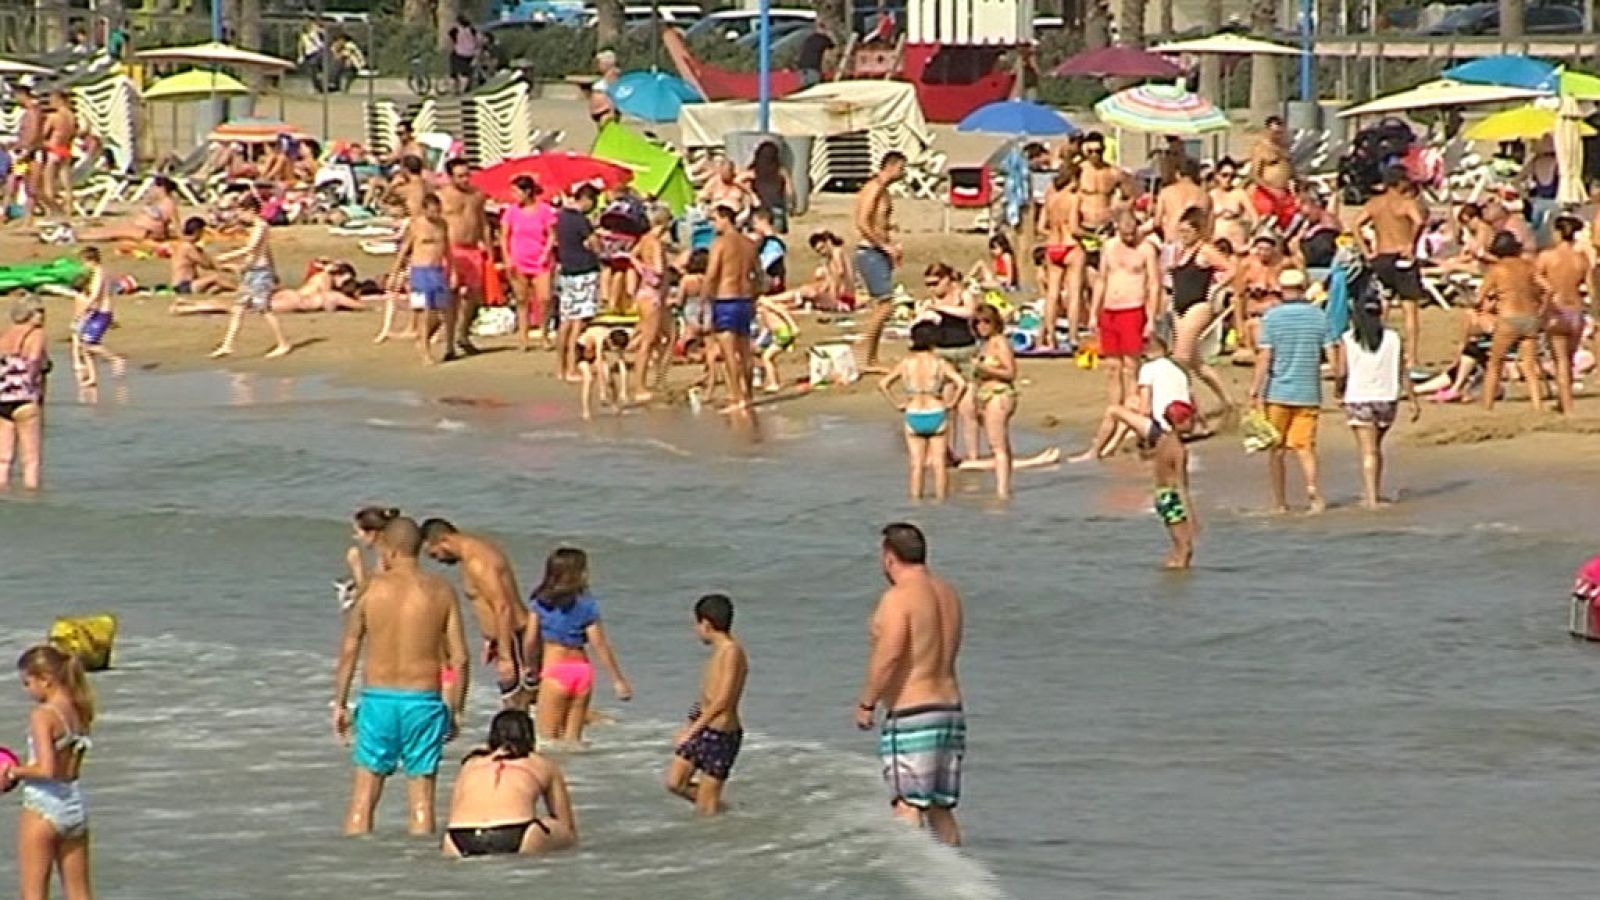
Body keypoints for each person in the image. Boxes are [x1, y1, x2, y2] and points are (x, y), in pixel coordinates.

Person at [331, 516, 470, 836]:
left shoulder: (371, 591)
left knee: (363, 800)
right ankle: (418, 875)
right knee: (422, 802)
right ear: (420, 549)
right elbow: (460, 658)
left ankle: (354, 871)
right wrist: (456, 710)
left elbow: (350, 649)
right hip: (423, 701)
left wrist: (339, 703)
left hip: (378, 699)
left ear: (388, 550)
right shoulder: (441, 591)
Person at [855, 523, 965, 846]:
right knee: (940, 808)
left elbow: (890, 653)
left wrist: (867, 702)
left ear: (890, 558)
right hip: (950, 709)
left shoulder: (898, 599)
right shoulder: (949, 593)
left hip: (913, 712)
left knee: (908, 804)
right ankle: (955, 885)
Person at [3, 645, 96, 900]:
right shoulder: (80, 709)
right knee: (80, 892)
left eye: (27, 683)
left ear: (45, 680)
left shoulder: (43, 715)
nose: (27, 691)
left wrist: (13, 772)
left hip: (43, 806)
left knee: (33, 894)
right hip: (74, 803)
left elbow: (46, 769)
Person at [420, 519, 533, 710]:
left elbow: (503, 606)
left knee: (516, 703)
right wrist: (492, 638)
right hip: (508, 637)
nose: (437, 560)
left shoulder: (478, 562)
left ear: (443, 540)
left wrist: (506, 655)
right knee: (521, 702)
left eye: (434, 553)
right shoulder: (473, 553)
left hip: (514, 639)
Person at [525, 547, 632, 745]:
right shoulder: (587, 605)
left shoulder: (540, 602)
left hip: (555, 671)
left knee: (547, 740)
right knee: (573, 742)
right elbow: (599, 644)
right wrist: (618, 681)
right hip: (582, 672)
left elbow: (531, 640)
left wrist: (530, 667)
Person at [1250, 267, 1333, 515]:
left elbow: (1266, 355)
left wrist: (1255, 388)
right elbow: (1331, 351)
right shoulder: (1319, 316)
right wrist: (1340, 378)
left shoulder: (1272, 318)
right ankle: (1313, 493)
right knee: (1305, 447)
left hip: (1278, 391)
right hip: (1308, 390)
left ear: (1282, 290)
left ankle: (1280, 501)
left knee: (1276, 450)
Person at [443, 710, 577, 857]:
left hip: (457, 838)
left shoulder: (470, 764)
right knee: (565, 833)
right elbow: (566, 823)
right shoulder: (542, 764)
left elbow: (453, 813)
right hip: (519, 832)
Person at [1083, 212, 1161, 455]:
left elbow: (1154, 284)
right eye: (1124, 233)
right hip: (1110, 310)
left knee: (1130, 366)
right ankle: (1114, 412)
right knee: (1112, 367)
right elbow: (1101, 280)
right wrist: (1094, 313)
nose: (1129, 238)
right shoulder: (1109, 247)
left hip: (1133, 308)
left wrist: (1151, 318)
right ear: (1117, 228)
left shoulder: (1146, 249)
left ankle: (1131, 413)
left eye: (1132, 233)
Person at [665, 594, 749, 816]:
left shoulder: (732, 652)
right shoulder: (716, 653)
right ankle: (721, 807)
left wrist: (692, 731)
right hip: (703, 728)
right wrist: (689, 723)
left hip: (722, 735)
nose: (696, 630)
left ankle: (712, 810)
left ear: (706, 624)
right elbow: (705, 697)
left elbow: (723, 700)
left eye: (697, 624)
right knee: (675, 783)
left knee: (705, 808)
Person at [1337, 295, 1420, 510]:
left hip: (1359, 397)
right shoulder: (1393, 338)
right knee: (1375, 448)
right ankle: (1373, 490)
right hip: (1387, 398)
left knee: (1368, 450)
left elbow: (1341, 371)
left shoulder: (1349, 338)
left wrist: (1339, 391)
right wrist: (1412, 398)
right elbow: (1403, 371)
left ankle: (1371, 499)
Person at [878, 321, 968, 501]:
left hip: (914, 412)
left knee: (916, 465)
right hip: (935, 410)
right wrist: (952, 402)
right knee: (939, 465)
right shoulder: (940, 363)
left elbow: (883, 384)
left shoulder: (906, 363)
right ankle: (941, 501)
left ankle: (915, 502)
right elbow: (961, 383)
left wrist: (897, 403)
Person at [1072, 330, 1192, 462]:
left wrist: (1140, 433)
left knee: (1113, 411)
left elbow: (1145, 409)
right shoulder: (1178, 369)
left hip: (1163, 431)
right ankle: (1112, 446)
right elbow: (1191, 400)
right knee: (1131, 403)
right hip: (1184, 426)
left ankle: (1094, 452)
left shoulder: (1148, 369)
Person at [1167, 206, 1235, 429]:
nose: (1183, 236)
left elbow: (1232, 268)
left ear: (1198, 232)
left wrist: (1216, 289)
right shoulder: (1180, 251)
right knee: (1196, 364)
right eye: (1181, 231)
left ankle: (1191, 415)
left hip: (1198, 305)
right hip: (1179, 307)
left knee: (1180, 360)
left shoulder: (1204, 251)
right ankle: (1228, 400)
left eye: (1187, 232)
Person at [1355, 167, 1427, 371]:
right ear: (1400, 183)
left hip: (1381, 256)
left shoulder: (1375, 204)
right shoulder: (1406, 203)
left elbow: (1356, 225)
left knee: (1382, 308)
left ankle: (1378, 351)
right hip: (1402, 257)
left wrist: (1366, 250)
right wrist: (1411, 242)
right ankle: (1412, 358)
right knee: (1409, 310)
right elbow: (1419, 221)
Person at [210, 195, 293, 359]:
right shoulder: (256, 227)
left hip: (260, 273)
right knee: (238, 308)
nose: (239, 216)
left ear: (250, 210)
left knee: (264, 310)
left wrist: (226, 257)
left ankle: (283, 343)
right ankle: (228, 345)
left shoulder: (261, 226)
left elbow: (251, 248)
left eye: (241, 212)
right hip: (252, 271)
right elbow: (265, 250)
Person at [1479, 230, 1548, 413]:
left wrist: (1489, 303)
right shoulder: (1528, 266)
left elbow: (1480, 297)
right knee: (1529, 366)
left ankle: (1487, 407)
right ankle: (1537, 406)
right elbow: (1548, 289)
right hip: (1530, 317)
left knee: (1495, 363)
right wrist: (1542, 308)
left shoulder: (1497, 269)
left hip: (1508, 317)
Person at [702, 204, 761, 413]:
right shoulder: (749, 243)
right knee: (745, 352)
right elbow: (759, 275)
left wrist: (704, 300)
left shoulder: (720, 243)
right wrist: (754, 297)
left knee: (729, 353)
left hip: (725, 300)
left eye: (715, 219)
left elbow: (711, 274)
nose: (713, 224)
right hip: (745, 300)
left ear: (725, 218)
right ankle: (749, 396)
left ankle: (737, 398)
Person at [855, 152, 907, 368]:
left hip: (879, 251)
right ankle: (864, 352)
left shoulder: (882, 190)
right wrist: (885, 246)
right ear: (891, 166)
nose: (903, 173)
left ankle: (871, 357)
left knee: (882, 305)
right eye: (901, 168)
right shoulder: (874, 188)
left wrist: (889, 233)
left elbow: (877, 220)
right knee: (885, 305)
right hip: (870, 251)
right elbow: (862, 222)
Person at [1535, 215, 1588, 416]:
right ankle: (1562, 401)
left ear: (1558, 233)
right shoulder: (1581, 259)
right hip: (1576, 311)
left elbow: (1536, 278)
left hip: (1556, 310)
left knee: (1561, 361)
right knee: (1569, 359)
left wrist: (1546, 292)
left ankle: (1567, 407)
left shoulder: (1547, 257)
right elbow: (1589, 288)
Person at [500, 176, 558, 353]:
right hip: (518, 260)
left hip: (540, 260)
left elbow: (552, 235)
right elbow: (504, 236)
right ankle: (523, 337)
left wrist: (546, 252)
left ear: (527, 192)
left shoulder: (544, 211)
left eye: (516, 192)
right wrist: (507, 258)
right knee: (521, 299)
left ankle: (544, 334)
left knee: (545, 298)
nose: (514, 196)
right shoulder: (511, 212)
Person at [440, 158, 491, 356]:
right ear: (450, 177)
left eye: (467, 175)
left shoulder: (476, 195)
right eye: (460, 176)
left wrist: (489, 250)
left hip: (473, 249)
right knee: (451, 297)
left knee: (474, 295)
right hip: (451, 249)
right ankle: (450, 343)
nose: (465, 179)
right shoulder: (442, 196)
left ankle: (463, 333)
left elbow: (483, 223)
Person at [397, 192, 455, 365]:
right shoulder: (416, 225)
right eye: (432, 211)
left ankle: (436, 344)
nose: (436, 214)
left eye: (438, 210)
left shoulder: (443, 224)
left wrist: (452, 271)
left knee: (444, 312)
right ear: (424, 210)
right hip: (420, 272)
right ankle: (425, 352)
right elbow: (405, 248)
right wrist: (396, 272)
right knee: (424, 312)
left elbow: (447, 249)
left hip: (438, 271)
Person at [967, 303, 1018, 499]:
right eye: (977, 322)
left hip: (999, 393)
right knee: (996, 443)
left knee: (997, 445)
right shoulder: (983, 344)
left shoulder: (1000, 342)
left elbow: (1010, 372)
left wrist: (985, 369)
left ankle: (1002, 492)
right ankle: (1003, 485)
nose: (982, 326)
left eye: (986, 321)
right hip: (985, 393)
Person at [555, 185, 603, 382]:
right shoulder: (580, 220)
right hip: (583, 271)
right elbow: (596, 245)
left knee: (566, 321)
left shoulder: (562, 217)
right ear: (587, 199)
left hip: (567, 271)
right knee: (579, 322)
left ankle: (561, 368)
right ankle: (573, 367)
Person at [0, 298, 48, 490]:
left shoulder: (5, 335)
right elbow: (35, 359)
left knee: (2, 459)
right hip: (24, 397)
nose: (44, 316)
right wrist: (32, 380)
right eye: (41, 311)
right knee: (31, 460)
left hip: (2, 396)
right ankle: (32, 499)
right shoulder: (36, 334)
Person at [630, 205, 673, 401]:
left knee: (669, 336)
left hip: (648, 294)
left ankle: (659, 380)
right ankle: (640, 386)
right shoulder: (655, 243)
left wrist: (640, 267)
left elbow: (632, 255)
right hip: (653, 295)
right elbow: (658, 270)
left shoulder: (644, 239)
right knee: (648, 342)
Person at [68, 247, 124, 391]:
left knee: (89, 344)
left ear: (90, 260)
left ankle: (115, 359)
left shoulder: (99, 273)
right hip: (97, 312)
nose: (83, 266)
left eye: (84, 262)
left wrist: (81, 312)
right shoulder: (100, 272)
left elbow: (95, 295)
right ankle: (92, 378)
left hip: (102, 312)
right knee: (85, 346)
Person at [77, 176, 179, 243]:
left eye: (154, 187)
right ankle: (80, 235)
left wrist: (180, 237)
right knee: (112, 228)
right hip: (141, 229)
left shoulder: (169, 203)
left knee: (112, 232)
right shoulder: (157, 201)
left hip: (147, 232)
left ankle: (80, 237)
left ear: (161, 188)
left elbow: (175, 222)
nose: (151, 189)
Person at [342, 505, 400, 607]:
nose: (355, 537)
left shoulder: (387, 558)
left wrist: (357, 566)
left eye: (358, 532)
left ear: (372, 534)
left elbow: (370, 598)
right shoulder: (391, 553)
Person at [1249, 115, 1296, 230]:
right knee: (1268, 226)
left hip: (1285, 193)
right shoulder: (1261, 148)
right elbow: (1254, 174)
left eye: (1280, 132)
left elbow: (1289, 168)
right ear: (1268, 130)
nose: (1277, 135)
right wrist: (1271, 190)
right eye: (1274, 132)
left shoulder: (1284, 147)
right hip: (1267, 194)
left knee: (1289, 223)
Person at [575, 325, 630, 419]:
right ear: (609, 340)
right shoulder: (600, 338)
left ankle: (614, 405)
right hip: (582, 351)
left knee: (610, 378)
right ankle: (586, 410)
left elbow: (622, 366)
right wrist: (602, 390)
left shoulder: (618, 338)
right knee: (589, 379)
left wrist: (623, 390)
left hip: (594, 354)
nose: (613, 350)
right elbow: (599, 363)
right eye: (613, 347)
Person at [169, 217, 233, 296]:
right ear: (197, 231)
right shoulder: (187, 247)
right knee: (216, 277)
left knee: (217, 288)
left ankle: (236, 291)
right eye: (202, 232)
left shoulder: (185, 245)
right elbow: (205, 264)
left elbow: (210, 264)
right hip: (183, 286)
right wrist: (203, 252)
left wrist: (222, 267)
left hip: (187, 285)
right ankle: (240, 291)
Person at [39, 91, 77, 219]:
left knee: (48, 182)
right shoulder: (71, 116)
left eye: (52, 100)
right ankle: (69, 208)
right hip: (65, 149)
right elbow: (73, 133)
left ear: (58, 100)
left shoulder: (54, 117)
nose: (50, 102)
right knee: (66, 183)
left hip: (53, 150)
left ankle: (51, 211)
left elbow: (43, 134)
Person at [744, 142, 795, 234]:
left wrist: (751, 194)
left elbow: (737, 180)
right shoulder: (781, 171)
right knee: (776, 238)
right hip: (777, 209)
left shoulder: (754, 172)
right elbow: (789, 191)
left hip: (759, 212)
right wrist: (791, 205)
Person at [1209, 157, 1257, 253]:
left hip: (1237, 241)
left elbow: (1255, 217)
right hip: (1217, 242)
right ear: (1217, 176)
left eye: (1232, 176)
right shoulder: (1211, 195)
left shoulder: (1239, 193)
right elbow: (1205, 223)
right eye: (1225, 175)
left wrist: (1252, 238)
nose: (1228, 179)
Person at [754, 295, 800, 393]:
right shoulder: (758, 304)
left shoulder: (764, 301)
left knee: (767, 357)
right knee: (765, 356)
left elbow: (782, 312)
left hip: (783, 333)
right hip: (776, 333)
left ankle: (774, 384)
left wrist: (793, 326)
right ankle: (768, 381)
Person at [447, 16, 481, 94]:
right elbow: (479, 42)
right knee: (467, 72)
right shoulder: (473, 30)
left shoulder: (454, 31)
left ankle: (456, 88)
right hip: (471, 54)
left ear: (458, 23)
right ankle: (465, 87)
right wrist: (476, 54)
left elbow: (451, 42)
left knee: (454, 72)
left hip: (459, 54)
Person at [796, 21, 835, 88]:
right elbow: (833, 46)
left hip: (802, 66)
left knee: (804, 87)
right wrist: (830, 35)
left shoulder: (810, 38)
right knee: (814, 87)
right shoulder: (824, 39)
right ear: (824, 30)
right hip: (813, 67)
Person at [588, 51, 621, 126]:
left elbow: (612, 93)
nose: (598, 65)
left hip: (606, 112)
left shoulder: (611, 76)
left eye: (599, 62)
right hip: (601, 112)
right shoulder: (606, 77)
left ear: (606, 64)